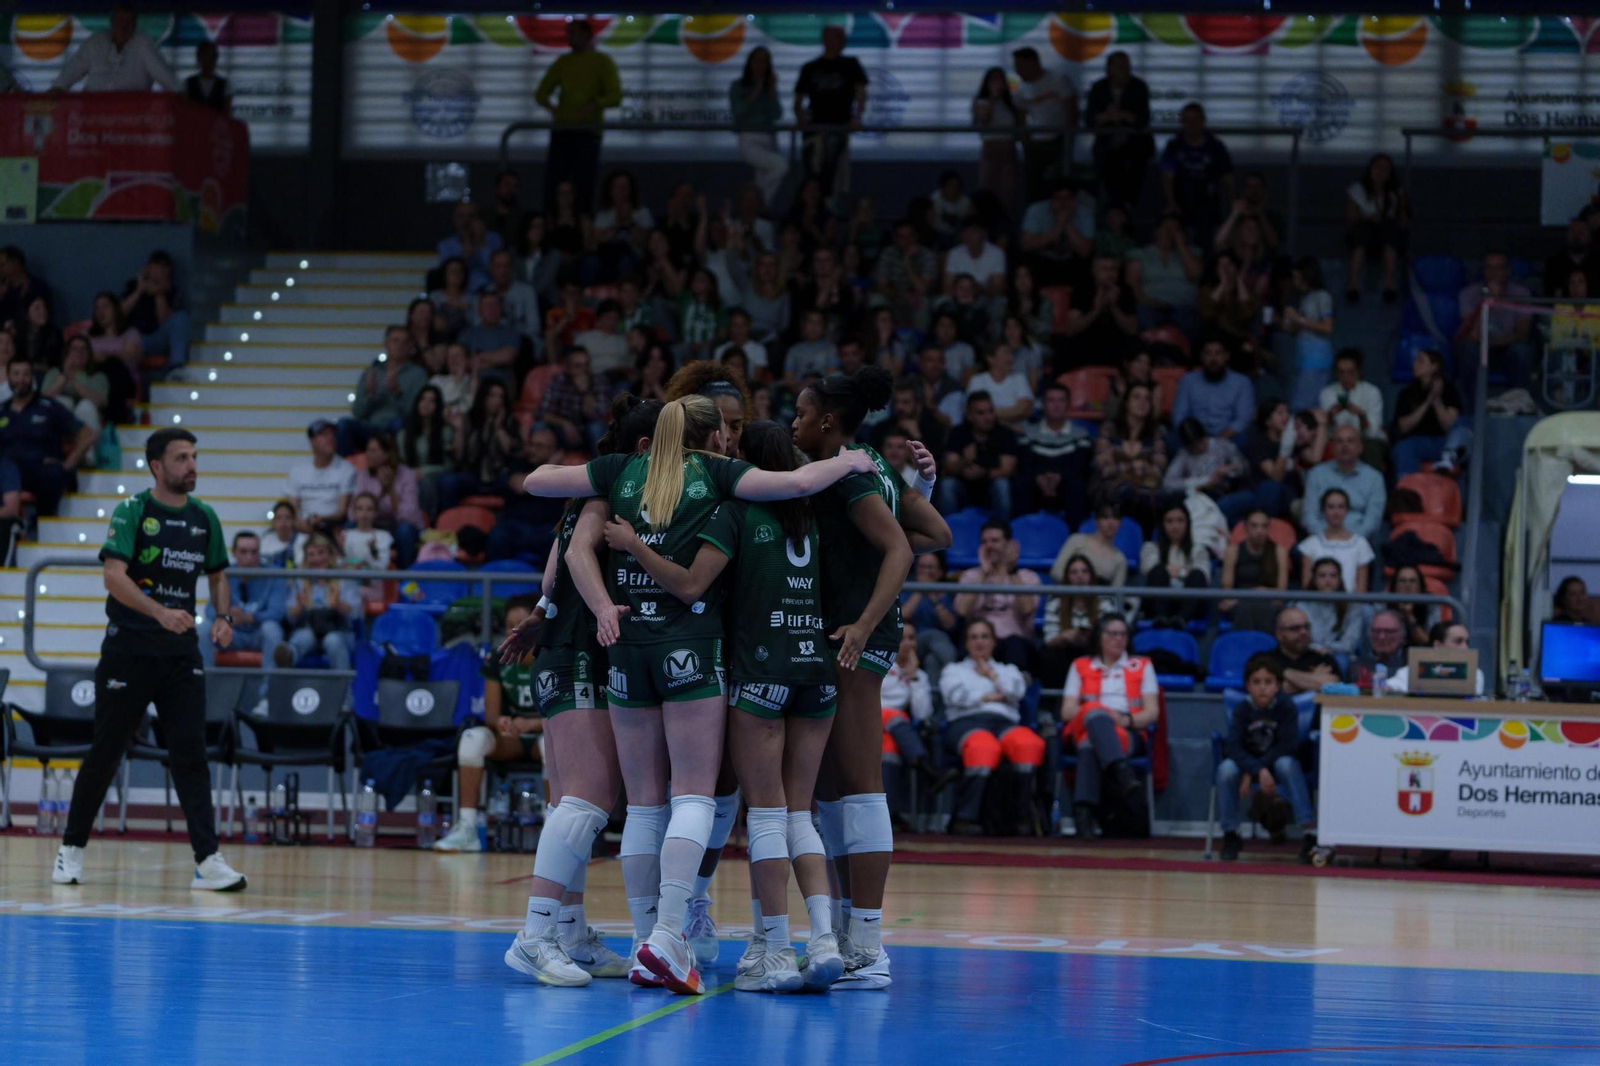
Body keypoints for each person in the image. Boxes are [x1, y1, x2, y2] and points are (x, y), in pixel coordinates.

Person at [519, 392, 884, 995]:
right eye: (725, 430)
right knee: (699, 796)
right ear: (713, 437)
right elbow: (795, 486)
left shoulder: (620, 471)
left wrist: (607, 587)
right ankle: (675, 932)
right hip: (702, 649)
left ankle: (646, 942)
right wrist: (849, 461)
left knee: (642, 807)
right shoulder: (719, 477)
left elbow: (536, 483)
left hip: (627, 646)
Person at [601, 419, 853, 992]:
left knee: (765, 815)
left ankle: (775, 950)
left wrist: (635, 545)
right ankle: (824, 940)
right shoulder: (814, 512)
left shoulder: (735, 512)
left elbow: (691, 584)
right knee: (801, 815)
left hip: (760, 671)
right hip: (816, 669)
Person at [493, 396, 663, 986]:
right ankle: (534, 937)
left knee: (570, 803)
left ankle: (568, 931)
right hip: (580, 653)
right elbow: (572, 555)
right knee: (588, 799)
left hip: (560, 647)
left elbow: (549, 578)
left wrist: (544, 612)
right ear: (645, 447)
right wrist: (601, 608)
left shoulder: (587, 495)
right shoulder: (610, 488)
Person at [52, 428, 245, 892]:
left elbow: (218, 575)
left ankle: (208, 860)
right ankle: (70, 850)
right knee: (106, 751)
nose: (191, 465)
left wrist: (223, 617)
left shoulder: (205, 517)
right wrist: (159, 612)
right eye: (181, 458)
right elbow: (113, 577)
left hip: (181, 656)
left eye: (194, 456)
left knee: (191, 755)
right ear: (157, 466)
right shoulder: (132, 511)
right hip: (129, 652)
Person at [433, 594, 548, 853]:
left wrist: (531, 724)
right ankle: (467, 828)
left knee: (553, 746)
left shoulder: (552, 658)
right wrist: (503, 722)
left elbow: (564, 716)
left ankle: (551, 830)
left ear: (537, 626)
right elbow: (491, 716)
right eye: (509, 626)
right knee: (471, 739)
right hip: (511, 739)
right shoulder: (498, 659)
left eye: (521, 624)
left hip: (546, 734)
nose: (514, 631)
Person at [938, 619, 1043, 836]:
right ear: (966, 643)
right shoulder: (954, 670)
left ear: (994, 642)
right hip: (966, 723)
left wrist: (992, 676)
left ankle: (1021, 818)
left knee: (1028, 744)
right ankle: (966, 818)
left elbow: (1015, 692)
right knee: (983, 747)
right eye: (974, 637)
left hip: (1004, 723)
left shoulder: (1008, 670)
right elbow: (957, 697)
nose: (980, 642)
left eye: (985, 637)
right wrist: (992, 696)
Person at [1059, 613, 1157, 841]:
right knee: (1094, 710)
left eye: (1123, 634)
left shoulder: (1142, 665)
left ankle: (1083, 815)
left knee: (1088, 745)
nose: (1118, 639)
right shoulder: (1080, 665)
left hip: (1125, 731)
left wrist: (1126, 721)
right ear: (1099, 637)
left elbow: (1152, 713)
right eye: (1112, 634)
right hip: (1082, 726)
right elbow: (1066, 711)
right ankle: (1123, 774)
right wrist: (1098, 712)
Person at [1215, 655, 1316, 862]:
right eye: (1256, 682)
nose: (1262, 688)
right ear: (1248, 686)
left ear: (1277, 686)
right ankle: (1231, 834)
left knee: (1287, 764)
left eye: (1268, 682)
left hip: (1275, 765)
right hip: (1250, 766)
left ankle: (1309, 834)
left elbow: (1287, 746)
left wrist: (1258, 769)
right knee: (1226, 769)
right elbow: (1233, 747)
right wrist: (1256, 770)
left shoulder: (1286, 707)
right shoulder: (1242, 710)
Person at [534, 19, 622, 214]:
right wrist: (554, 109)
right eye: (568, 33)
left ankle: (583, 225)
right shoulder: (563, 62)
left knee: (584, 186)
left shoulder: (602, 61)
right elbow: (541, 93)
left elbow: (615, 96)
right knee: (554, 185)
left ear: (586, 35)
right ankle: (552, 223)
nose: (569, 38)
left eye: (573, 33)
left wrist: (594, 104)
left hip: (587, 132)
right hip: (563, 131)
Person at [0, 356, 94, 516]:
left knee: (54, 473)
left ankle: (43, 520)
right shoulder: (2, 410)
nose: (21, 379)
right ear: (8, 377)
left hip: (41, 472)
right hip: (7, 474)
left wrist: (67, 464)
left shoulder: (48, 406)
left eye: (26, 374)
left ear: (32, 377)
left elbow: (87, 434)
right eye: (16, 374)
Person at [793, 25, 868, 202]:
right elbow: (798, 100)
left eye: (837, 37)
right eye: (830, 37)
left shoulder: (851, 65)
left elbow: (861, 94)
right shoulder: (810, 68)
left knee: (831, 160)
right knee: (811, 166)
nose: (833, 41)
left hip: (839, 125)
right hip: (814, 127)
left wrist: (857, 118)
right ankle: (812, 201)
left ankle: (824, 200)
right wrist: (801, 118)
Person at [881, 624, 944, 828]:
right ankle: (927, 769)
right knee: (896, 716)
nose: (909, 644)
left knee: (889, 750)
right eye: (903, 639)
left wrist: (914, 677)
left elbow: (922, 714)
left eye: (912, 638)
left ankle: (889, 814)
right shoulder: (879, 664)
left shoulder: (919, 675)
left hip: (891, 731)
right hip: (868, 719)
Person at [954, 520, 1041, 669]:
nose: (989, 546)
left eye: (995, 541)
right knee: (963, 650)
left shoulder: (1028, 577)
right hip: (980, 643)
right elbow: (961, 611)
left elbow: (1027, 609)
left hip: (1015, 643)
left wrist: (1011, 570)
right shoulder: (970, 576)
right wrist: (983, 573)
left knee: (1015, 646)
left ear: (1010, 544)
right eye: (984, 542)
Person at [222, 532, 286, 712]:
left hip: (259, 634)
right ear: (234, 553)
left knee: (271, 628)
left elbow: (278, 612)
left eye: (254, 552)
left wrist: (248, 617)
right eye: (244, 552)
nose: (249, 557)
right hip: (234, 634)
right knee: (204, 629)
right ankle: (203, 695)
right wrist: (228, 618)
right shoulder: (225, 573)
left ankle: (268, 697)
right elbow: (212, 611)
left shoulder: (274, 573)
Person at [1454, 250, 1533, 396]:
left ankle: (1519, 400)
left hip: (1507, 349)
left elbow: (1522, 334)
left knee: (1521, 350)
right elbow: (1473, 335)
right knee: (1467, 349)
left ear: (1508, 270)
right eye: (1489, 267)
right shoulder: (1468, 294)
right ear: (1483, 270)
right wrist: (1488, 303)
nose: (1494, 273)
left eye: (1499, 267)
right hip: (1479, 349)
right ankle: (1472, 404)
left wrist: (1492, 342)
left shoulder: (1521, 293)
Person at [50, 6, 177, 92]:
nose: (123, 26)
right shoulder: (96, 42)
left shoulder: (143, 43)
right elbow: (73, 69)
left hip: (133, 114)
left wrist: (180, 94)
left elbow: (163, 74)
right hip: (93, 112)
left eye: (128, 22)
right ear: (112, 22)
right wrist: (58, 88)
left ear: (134, 24)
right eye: (120, 20)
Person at [1084, 51, 1153, 210]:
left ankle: (1129, 207)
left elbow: (1143, 120)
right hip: (1106, 146)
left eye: (1126, 66)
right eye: (1120, 66)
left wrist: (1123, 114)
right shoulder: (1098, 88)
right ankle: (1112, 209)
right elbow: (1089, 120)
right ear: (1108, 69)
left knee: (1135, 172)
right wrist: (1106, 116)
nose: (1124, 70)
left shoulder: (1139, 87)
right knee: (1107, 175)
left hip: (1135, 146)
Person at [1092, 382, 1166, 528]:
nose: (1142, 402)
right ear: (1126, 402)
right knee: (1126, 492)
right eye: (1137, 397)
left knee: (1155, 498)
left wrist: (1120, 467)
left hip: (1145, 491)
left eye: (1147, 399)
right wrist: (1137, 466)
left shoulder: (1156, 433)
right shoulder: (1109, 429)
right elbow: (1105, 470)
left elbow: (1158, 471)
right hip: (1112, 490)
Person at [1159, 102, 1234, 243]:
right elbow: (1168, 176)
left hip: (1207, 204)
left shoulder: (1215, 146)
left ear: (1203, 121)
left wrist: (1232, 203)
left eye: (1195, 119)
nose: (1191, 124)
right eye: (1187, 120)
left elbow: (1228, 177)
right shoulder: (1174, 145)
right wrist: (1171, 202)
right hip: (1181, 202)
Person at [442, 379, 522, 510]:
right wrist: (459, 430)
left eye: (501, 397)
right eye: (492, 395)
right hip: (473, 476)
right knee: (448, 482)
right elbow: (458, 455)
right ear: (483, 397)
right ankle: (448, 521)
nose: (497, 400)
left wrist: (498, 428)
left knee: (513, 484)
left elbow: (511, 451)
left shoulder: (510, 421)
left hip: (499, 477)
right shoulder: (470, 419)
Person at [938, 392, 1019, 518]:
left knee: (1001, 484)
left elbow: (1007, 470)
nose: (988, 417)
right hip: (964, 489)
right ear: (969, 416)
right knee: (947, 484)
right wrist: (964, 461)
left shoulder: (1005, 434)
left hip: (990, 491)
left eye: (990, 411)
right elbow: (948, 467)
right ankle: (948, 526)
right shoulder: (958, 433)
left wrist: (983, 473)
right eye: (981, 413)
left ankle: (1002, 527)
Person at [1020, 382, 1093, 523]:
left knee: (1076, 484)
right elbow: (1025, 464)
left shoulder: (1081, 434)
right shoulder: (1028, 433)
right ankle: (1023, 530)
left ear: (1068, 404)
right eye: (1051, 400)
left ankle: (1075, 533)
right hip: (1036, 483)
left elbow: (1081, 467)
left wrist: (1060, 477)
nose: (1056, 405)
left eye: (1061, 400)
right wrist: (1039, 477)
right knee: (1022, 483)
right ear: (1043, 404)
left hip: (1067, 484)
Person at [1391, 347, 1470, 477]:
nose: (1415, 364)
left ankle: (1447, 460)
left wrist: (1437, 399)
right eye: (1415, 360)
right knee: (1403, 447)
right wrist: (1428, 400)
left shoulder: (1449, 390)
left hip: (1445, 442)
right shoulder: (1406, 393)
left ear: (1434, 366)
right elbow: (1403, 427)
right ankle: (1407, 487)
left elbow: (1449, 426)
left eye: (1420, 361)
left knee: (1465, 425)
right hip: (1417, 442)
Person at [1011, 47, 1076, 202]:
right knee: (1034, 185)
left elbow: (1071, 110)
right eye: (1016, 67)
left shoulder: (1057, 80)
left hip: (1058, 140)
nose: (1018, 71)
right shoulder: (1022, 89)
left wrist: (1068, 137)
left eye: (1020, 66)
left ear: (1033, 63)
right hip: (1035, 145)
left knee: (1059, 183)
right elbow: (1021, 117)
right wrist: (1025, 142)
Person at [349, 432, 424, 566]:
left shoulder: (407, 475)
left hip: (397, 527)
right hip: (372, 526)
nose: (367, 454)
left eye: (373, 450)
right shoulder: (363, 475)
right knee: (350, 526)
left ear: (387, 454)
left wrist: (390, 490)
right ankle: (354, 571)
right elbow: (353, 513)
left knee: (404, 530)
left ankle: (405, 576)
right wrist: (380, 494)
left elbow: (410, 517)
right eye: (367, 450)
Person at [1302, 425, 1385, 540]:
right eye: (1339, 441)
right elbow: (1309, 516)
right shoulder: (1316, 474)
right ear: (1332, 447)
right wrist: (1326, 539)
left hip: (1360, 541)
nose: (1345, 446)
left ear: (1360, 447)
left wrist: (1351, 542)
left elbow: (1373, 520)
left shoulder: (1375, 478)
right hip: (1322, 539)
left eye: (1350, 441)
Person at [1127, 211, 1202, 337]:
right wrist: (1151, 302)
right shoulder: (1140, 255)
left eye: (1175, 230)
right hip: (1151, 306)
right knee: (1145, 317)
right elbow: (1132, 288)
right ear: (1157, 231)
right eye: (1167, 228)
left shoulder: (1193, 252)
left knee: (1188, 321)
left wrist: (1181, 245)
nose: (1170, 233)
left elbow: (1195, 275)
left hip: (1183, 307)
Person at [1345, 153, 1408, 302]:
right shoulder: (1357, 190)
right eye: (1377, 168)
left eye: (1385, 169)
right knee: (1362, 231)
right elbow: (1351, 218)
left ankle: (1389, 284)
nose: (1380, 172)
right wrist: (1367, 217)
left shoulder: (1395, 193)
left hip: (1387, 235)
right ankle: (1353, 284)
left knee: (1388, 228)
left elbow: (1403, 221)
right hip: (1363, 233)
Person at [730, 46, 787, 204]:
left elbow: (777, 114)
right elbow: (738, 112)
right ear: (750, 63)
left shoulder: (769, 88)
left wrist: (771, 91)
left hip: (769, 138)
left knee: (764, 178)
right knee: (781, 166)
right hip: (749, 137)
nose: (760, 65)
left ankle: (756, 209)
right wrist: (755, 92)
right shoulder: (738, 86)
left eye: (764, 62)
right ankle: (754, 202)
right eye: (757, 61)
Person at [1163, 416, 1248, 522]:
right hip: (1197, 499)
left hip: (1223, 494)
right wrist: (1205, 480)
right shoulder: (1184, 455)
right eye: (1194, 446)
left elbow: (1243, 466)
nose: (1200, 448)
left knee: (1245, 498)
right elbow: (1168, 484)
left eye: (1201, 442)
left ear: (1205, 436)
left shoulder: (1221, 445)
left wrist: (1229, 470)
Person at [1140, 503, 1211, 628]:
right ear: (1162, 525)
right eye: (1170, 521)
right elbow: (1149, 570)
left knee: (1197, 575)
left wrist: (1172, 571)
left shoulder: (1198, 549)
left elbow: (1205, 576)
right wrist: (1184, 572)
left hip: (1189, 604)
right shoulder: (1150, 547)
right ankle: (1161, 619)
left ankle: (1181, 620)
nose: (1175, 526)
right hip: (1158, 602)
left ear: (1187, 523)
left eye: (1180, 520)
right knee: (1158, 572)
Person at [1062, 254, 1139, 367]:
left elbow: (1132, 330)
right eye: (1104, 269)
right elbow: (1070, 329)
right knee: (1068, 346)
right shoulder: (1082, 289)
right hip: (1087, 339)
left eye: (1113, 269)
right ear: (1094, 271)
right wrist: (1095, 310)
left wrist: (1114, 307)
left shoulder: (1125, 290)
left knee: (1136, 346)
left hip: (1116, 340)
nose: (1109, 274)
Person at [120, 251, 192, 373]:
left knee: (182, 317)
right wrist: (140, 289)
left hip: (158, 339)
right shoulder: (133, 286)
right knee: (130, 337)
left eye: (164, 267)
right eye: (157, 266)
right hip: (135, 338)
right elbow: (119, 314)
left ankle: (177, 368)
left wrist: (159, 292)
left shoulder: (172, 291)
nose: (160, 271)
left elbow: (163, 320)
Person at [1282, 257, 1336, 414]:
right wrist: (1288, 323)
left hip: (1317, 359)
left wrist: (1298, 319)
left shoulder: (1322, 296)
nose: (1295, 282)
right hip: (1302, 357)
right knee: (1300, 402)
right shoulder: (1304, 298)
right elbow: (1298, 330)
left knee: (1306, 406)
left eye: (1297, 277)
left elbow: (1327, 327)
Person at [1173, 337, 1253, 440]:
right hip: (1193, 438)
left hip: (1229, 437)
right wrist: (1194, 438)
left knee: (1244, 440)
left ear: (1227, 356)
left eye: (1218, 353)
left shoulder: (1242, 382)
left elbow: (1243, 419)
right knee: (1168, 441)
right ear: (1202, 357)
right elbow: (1179, 415)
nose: (1213, 359)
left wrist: (1217, 441)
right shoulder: (1188, 380)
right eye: (1208, 353)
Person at [287, 419, 356, 537]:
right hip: (302, 527)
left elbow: (341, 511)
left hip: (332, 527)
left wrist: (321, 519)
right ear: (312, 441)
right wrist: (299, 523)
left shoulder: (346, 469)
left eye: (332, 434)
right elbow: (293, 507)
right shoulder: (298, 471)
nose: (330, 438)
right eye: (323, 434)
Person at [1298, 488, 1373, 595]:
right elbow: (1307, 587)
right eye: (1331, 507)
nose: (1336, 512)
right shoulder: (1310, 544)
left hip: (1350, 602)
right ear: (1323, 510)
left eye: (1341, 507)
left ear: (1347, 510)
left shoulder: (1360, 544)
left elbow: (1361, 590)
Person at [1020, 179, 1093, 288]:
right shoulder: (1036, 210)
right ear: (1051, 200)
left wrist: (1066, 223)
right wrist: (1057, 229)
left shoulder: (1085, 213)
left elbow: (1085, 251)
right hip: (1042, 262)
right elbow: (1026, 244)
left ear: (1074, 200)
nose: (1063, 203)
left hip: (1072, 263)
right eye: (1058, 198)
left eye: (1067, 198)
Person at [1320, 349, 1386, 467]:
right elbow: (1328, 433)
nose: (1345, 377)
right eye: (1341, 372)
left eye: (1350, 372)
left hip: (1367, 440)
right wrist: (1330, 417)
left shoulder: (1372, 392)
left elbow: (1373, 433)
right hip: (1339, 440)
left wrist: (1361, 416)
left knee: (1370, 446)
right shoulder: (1327, 393)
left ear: (1359, 372)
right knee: (1330, 446)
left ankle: (1373, 479)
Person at [1384, 622, 1484, 696]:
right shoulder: (1411, 671)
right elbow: (1387, 688)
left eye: (1466, 642)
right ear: (1438, 645)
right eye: (1458, 641)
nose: (1465, 647)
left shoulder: (1475, 674)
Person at [971, 69, 1022, 216]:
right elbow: (983, 121)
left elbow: (1019, 127)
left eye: (1001, 80)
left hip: (1008, 150)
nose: (998, 83)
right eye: (994, 80)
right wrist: (992, 99)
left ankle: (1005, 223)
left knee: (1007, 192)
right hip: (991, 149)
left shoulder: (1011, 103)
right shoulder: (981, 102)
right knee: (987, 190)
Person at [1296, 557, 1366, 657]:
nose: (1328, 580)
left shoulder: (1352, 606)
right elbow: (1298, 640)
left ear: (1340, 579)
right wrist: (1316, 649)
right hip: (1308, 654)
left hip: (1340, 655)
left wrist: (1329, 649)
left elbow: (1350, 643)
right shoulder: (1301, 606)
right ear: (1314, 579)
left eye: (1333, 576)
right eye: (1322, 576)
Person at [40, 335, 108, 433]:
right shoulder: (54, 372)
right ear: (67, 353)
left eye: (83, 349)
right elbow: (44, 399)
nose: (79, 352)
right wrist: (65, 375)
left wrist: (73, 380)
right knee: (64, 402)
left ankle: (87, 442)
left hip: (88, 421)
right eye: (74, 349)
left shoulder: (98, 376)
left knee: (86, 405)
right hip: (59, 424)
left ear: (89, 354)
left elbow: (100, 402)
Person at [1268, 606, 1342, 695]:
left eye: (1306, 627)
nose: (1303, 632)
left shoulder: (1323, 659)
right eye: (1295, 628)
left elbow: (1333, 685)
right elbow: (1266, 690)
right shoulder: (1267, 660)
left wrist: (1284, 672)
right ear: (1279, 634)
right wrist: (1313, 680)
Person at [965, 345, 1033, 429]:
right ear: (990, 359)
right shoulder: (977, 380)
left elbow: (1023, 410)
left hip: (1020, 432)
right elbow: (973, 413)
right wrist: (1009, 426)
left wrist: (987, 415)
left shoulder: (1020, 378)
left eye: (1011, 353)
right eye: (1006, 353)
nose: (1011, 357)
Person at [1350, 608, 1409, 692]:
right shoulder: (1355, 667)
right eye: (1376, 631)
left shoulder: (1410, 666)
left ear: (1402, 635)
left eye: (1388, 631)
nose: (1381, 637)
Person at [1390, 564, 1444, 648]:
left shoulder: (1431, 603)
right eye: (1402, 581)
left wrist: (1409, 616)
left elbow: (1430, 642)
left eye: (1412, 581)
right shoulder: (1384, 602)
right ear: (1395, 586)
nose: (1407, 585)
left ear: (1420, 587)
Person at [184, 40, 230, 113]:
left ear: (215, 59)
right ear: (199, 59)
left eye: (210, 56)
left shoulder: (225, 85)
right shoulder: (188, 83)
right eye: (204, 56)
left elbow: (226, 114)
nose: (207, 61)